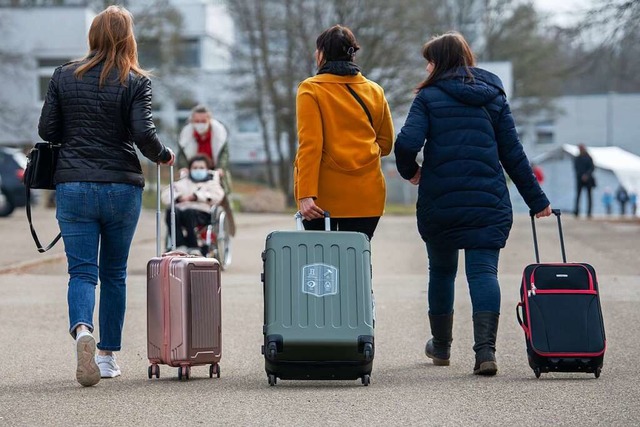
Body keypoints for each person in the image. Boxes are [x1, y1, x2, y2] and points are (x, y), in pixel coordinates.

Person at [394, 32, 551, 376]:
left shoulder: (429, 97)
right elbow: (513, 154)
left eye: (429, 60)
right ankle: (485, 352)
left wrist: (412, 171)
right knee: (483, 272)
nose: (427, 66)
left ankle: (442, 348)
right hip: (487, 200)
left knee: (442, 271)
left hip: (441, 200)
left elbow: (405, 142)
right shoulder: (493, 98)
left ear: (440, 62)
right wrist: (537, 200)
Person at [37, 5, 175, 387]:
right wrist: (163, 154)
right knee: (114, 273)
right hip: (120, 187)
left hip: (74, 185)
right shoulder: (135, 80)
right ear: (128, 38)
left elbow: (47, 129)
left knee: (82, 271)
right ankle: (107, 356)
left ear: (93, 36)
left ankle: (83, 329)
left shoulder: (64, 75)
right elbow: (143, 133)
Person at [294, 25, 394, 239]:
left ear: (322, 54)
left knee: (322, 265)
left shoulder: (311, 89)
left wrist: (305, 194)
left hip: (321, 199)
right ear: (352, 54)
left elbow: (310, 145)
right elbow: (386, 144)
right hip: (367, 195)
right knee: (357, 263)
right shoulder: (375, 90)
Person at [161, 155, 225, 254]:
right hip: (180, 211)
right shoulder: (183, 182)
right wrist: (178, 197)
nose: (198, 170)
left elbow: (218, 195)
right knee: (171, 211)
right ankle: (180, 245)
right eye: (195, 168)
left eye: (201, 168)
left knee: (189, 212)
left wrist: (196, 196)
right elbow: (165, 194)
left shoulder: (211, 183)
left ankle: (193, 246)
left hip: (201, 213)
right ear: (189, 169)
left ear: (207, 169)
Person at [178, 105, 231, 194]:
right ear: (192, 121)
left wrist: (220, 168)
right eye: (197, 121)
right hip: (193, 172)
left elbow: (224, 154)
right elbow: (182, 154)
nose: (200, 124)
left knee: (222, 195)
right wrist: (183, 167)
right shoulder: (185, 136)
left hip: (214, 172)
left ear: (209, 120)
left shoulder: (220, 135)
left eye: (203, 121)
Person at [574, 144, 596, 218]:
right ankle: (576, 211)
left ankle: (589, 212)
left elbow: (592, 168)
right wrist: (581, 176)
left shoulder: (589, 158)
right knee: (578, 196)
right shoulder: (577, 158)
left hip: (588, 180)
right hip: (579, 180)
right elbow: (576, 168)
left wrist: (586, 175)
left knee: (589, 196)